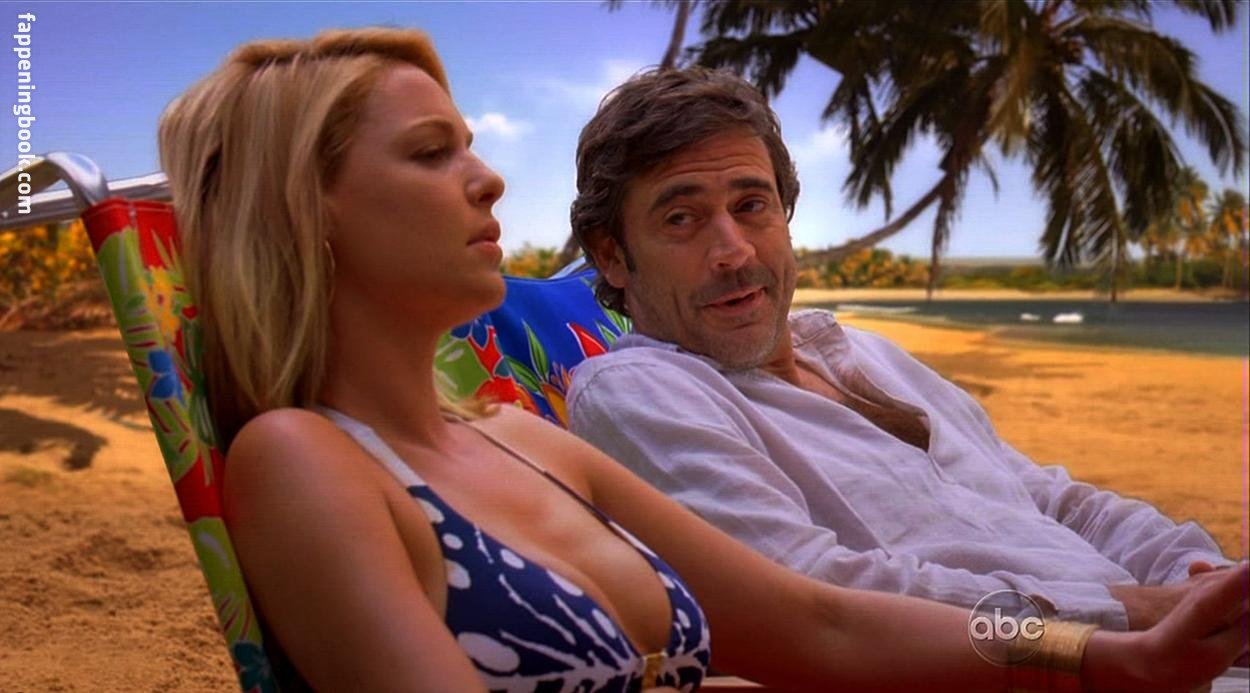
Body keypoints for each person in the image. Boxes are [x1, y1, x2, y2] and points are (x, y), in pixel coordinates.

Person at [159, 27, 1248, 691]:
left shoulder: (522, 440)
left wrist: (1098, 653)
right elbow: (827, 600)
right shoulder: (304, 459)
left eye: (752, 206)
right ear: (302, 214)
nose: (488, 181)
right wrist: (1111, 635)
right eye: (431, 153)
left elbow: (815, 625)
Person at [565, 67, 1237, 634]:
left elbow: (1049, 499)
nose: (734, 252)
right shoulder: (639, 390)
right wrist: (1129, 615)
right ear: (611, 255)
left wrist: (1197, 576)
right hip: (1053, 663)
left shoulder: (865, 354)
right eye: (681, 218)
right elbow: (818, 594)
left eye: (751, 205)